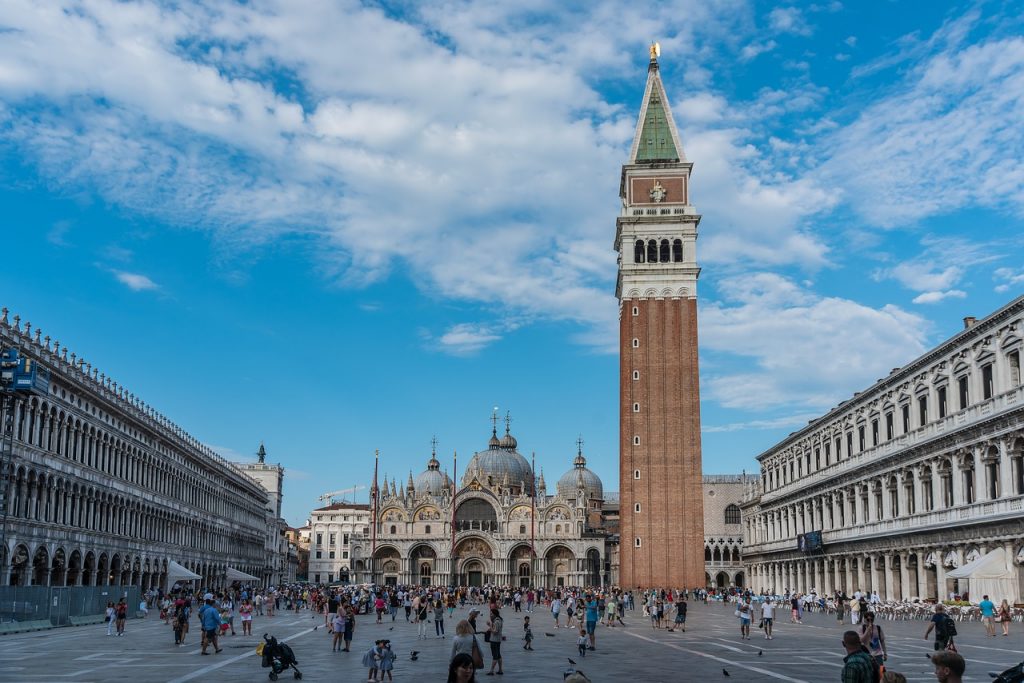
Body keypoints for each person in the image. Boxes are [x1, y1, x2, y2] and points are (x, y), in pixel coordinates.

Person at [485, 607, 503, 676]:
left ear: (495, 614)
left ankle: (491, 671)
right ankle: (500, 670)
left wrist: (490, 626)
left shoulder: (497, 621)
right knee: (498, 655)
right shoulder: (498, 620)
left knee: (495, 655)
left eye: (491, 614)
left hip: (494, 640)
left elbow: (495, 631)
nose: (490, 615)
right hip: (497, 640)